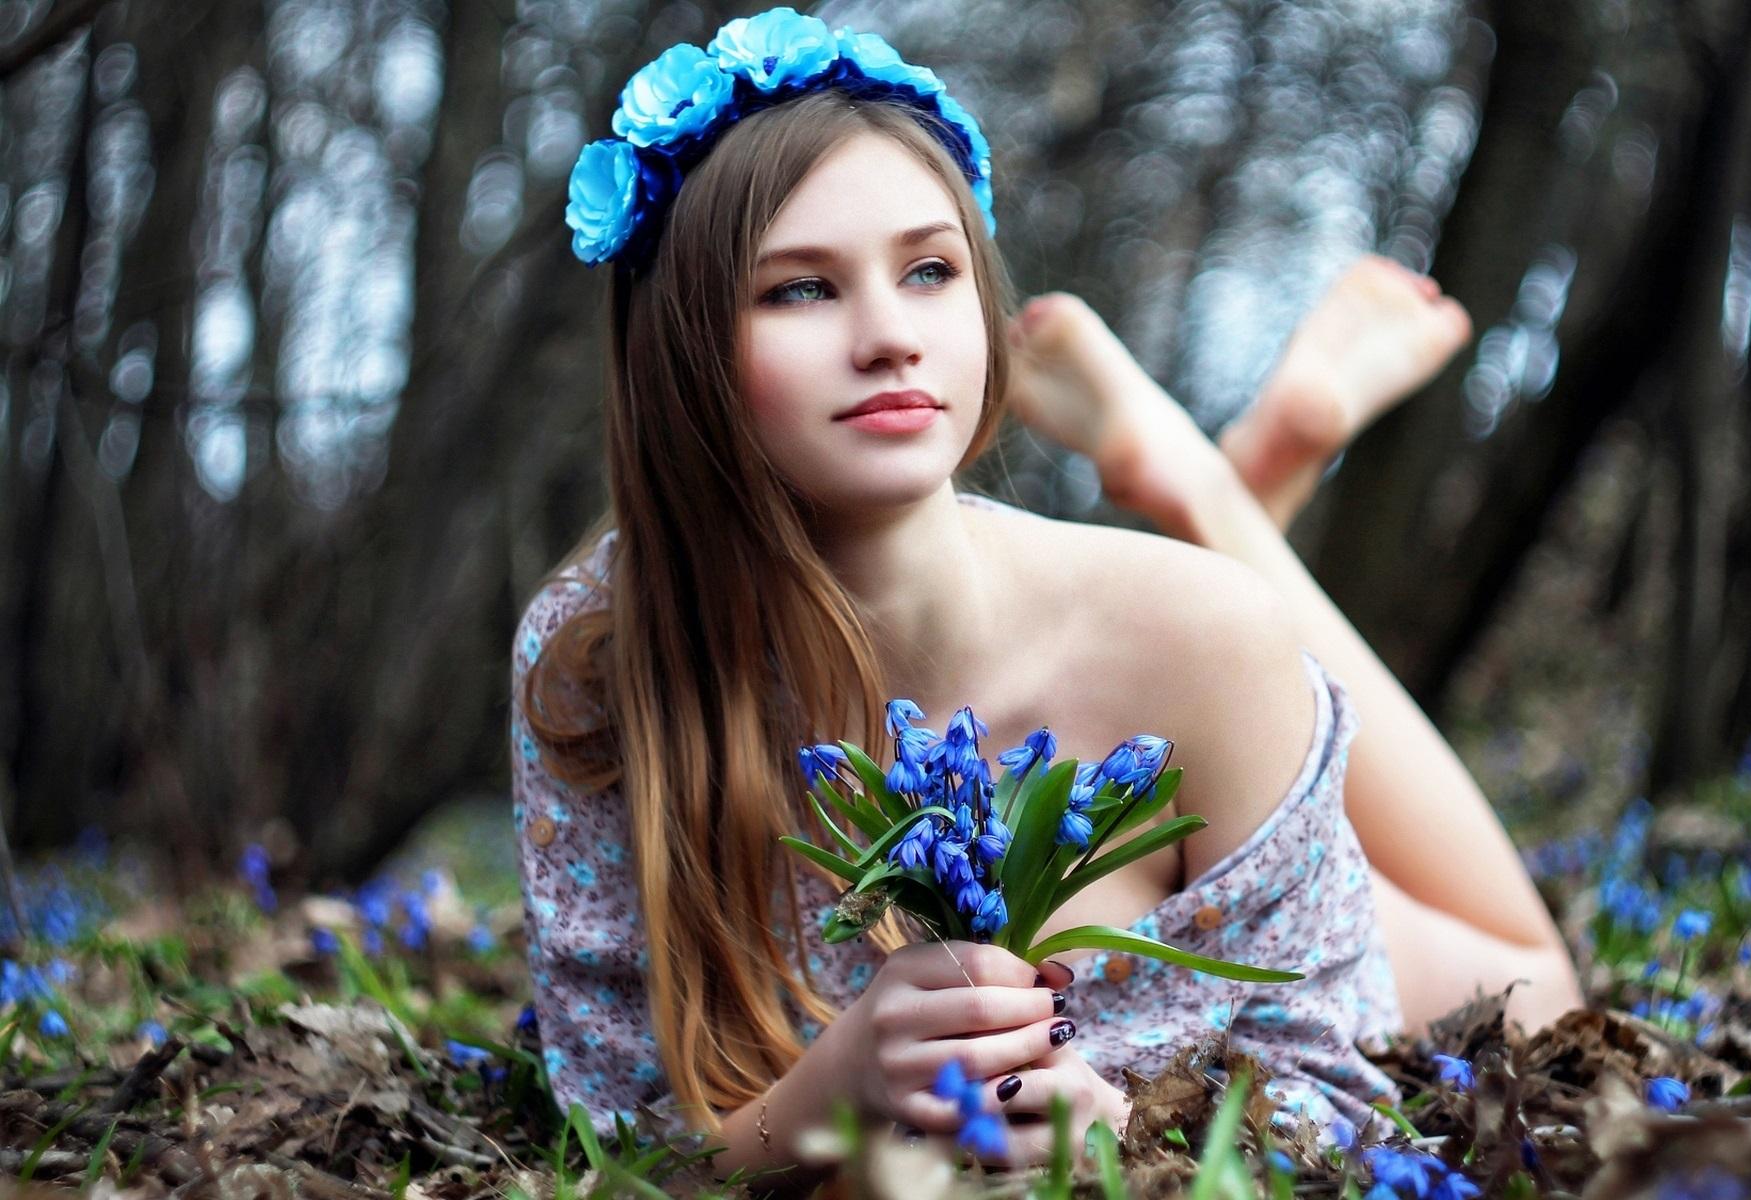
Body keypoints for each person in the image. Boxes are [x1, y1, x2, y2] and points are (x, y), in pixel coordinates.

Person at [512, 8, 1579, 1183]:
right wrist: (830, 1096)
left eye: (929, 270)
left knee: (1537, 977)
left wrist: (1134, 1142)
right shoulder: (599, 658)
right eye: (800, 291)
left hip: (1289, 853)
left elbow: (1338, 1104)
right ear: (681, 351)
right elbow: (621, 1143)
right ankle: (1226, 488)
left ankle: (1209, 493)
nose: (889, 338)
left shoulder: (1191, 636)